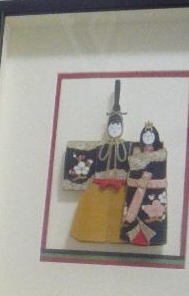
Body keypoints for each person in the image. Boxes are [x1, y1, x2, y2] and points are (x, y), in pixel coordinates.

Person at [63, 81, 133, 243]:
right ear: (107, 127)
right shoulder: (99, 147)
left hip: (122, 190)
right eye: (112, 126)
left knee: (117, 219)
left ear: (122, 127)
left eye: (117, 126)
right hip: (98, 188)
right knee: (95, 218)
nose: (114, 129)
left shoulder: (129, 147)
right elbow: (83, 157)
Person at [121, 123, 167, 246]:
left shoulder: (160, 155)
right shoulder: (135, 154)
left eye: (150, 136)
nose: (147, 138)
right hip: (135, 189)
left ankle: (155, 238)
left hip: (154, 192)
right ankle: (132, 236)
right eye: (145, 136)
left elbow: (160, 174)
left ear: (155, 137)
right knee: (134, 214)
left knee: (153, 213)